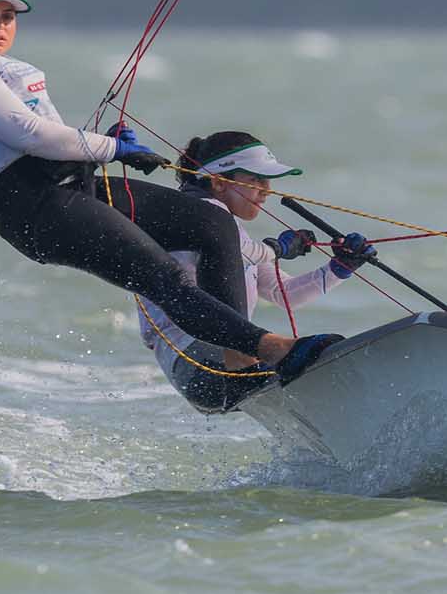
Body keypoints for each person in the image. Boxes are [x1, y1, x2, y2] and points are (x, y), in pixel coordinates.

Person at [0, 0, 340, 379]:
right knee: (164, 277)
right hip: (30, 207)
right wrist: (114, 149)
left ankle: (237, 355)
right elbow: (28, 133)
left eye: (8, 16)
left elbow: (33, 142)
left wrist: (96, 147)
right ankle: (271, 349)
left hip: (64, 188)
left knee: (211, 222)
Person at [138, 130, 376, 412]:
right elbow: (250, 251)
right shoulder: (193, 213)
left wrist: (340, 268)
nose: (266, 189)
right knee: (304, 362)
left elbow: (282, 293)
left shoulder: (230, 232)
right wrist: (279, 249)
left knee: (300, 367)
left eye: (267, 180)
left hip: (226, 359)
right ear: (218, 182)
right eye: (255, 179)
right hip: (197, 364)